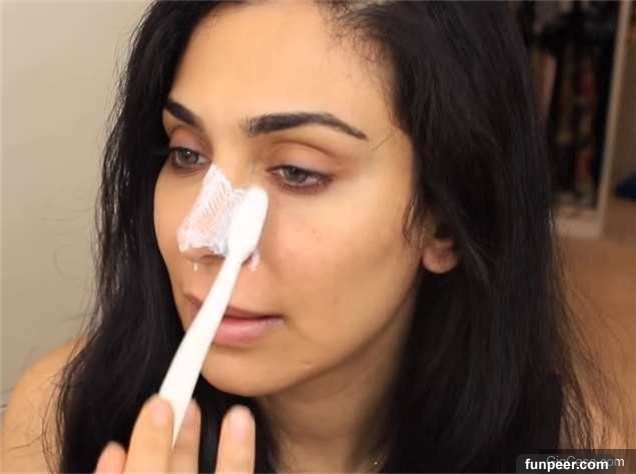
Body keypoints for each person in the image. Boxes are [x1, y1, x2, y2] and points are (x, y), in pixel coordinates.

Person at [1, 1, 628, 472]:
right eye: (187, 154)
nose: (203, 236)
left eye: (298, 171)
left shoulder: (570, 447)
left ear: (445, 224)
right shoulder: (59, 416)